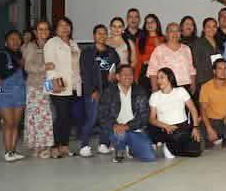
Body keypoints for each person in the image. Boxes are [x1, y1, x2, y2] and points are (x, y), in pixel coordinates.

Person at [98, 64, 155, 163]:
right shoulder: (109, 91)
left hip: (134, 129)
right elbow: (103, 114)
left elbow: (144, 116)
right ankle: (119, 149)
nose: (128, 76)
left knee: (149, 157)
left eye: (131, 74)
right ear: (118, 77)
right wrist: (114, 125)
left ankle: (131, 147)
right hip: (117, 129)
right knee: (121, 135)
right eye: (125, 74)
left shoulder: (140, 91)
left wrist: (127, 126)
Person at [78, 24, 120, 157]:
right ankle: (84, 145)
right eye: (99, 33)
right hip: (94, 91)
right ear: (94, 36)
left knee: (107, 119)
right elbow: (84, 74)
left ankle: (104, 144)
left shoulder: (112, 52)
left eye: (104, 33)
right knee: (92, 118)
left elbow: (117, 69)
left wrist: (115, 76)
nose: (102, 36)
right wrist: (92, 91)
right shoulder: (87, 53)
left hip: (109, 91)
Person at [45, 17, 83, 159]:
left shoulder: (73, 43)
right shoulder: (52, 43)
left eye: (67, 25)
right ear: (56, 28)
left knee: (67, 118)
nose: (65, 28)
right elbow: (49, 65)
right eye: (61, 25)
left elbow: (76, 65)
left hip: (72, 85)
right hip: (57, 86)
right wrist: (55, 82)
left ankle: (64, 146)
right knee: (60, 117)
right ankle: (54, 147)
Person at [148, 67, 202, 158]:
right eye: (158, 78)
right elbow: (152, 119)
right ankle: (168, 146)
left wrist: (195, 127)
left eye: (162, 77)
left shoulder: (181, 91)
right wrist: (166, 126)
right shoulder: (155, 96)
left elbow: (193, 109)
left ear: (170, 78)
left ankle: (173, 148)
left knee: (196, 151)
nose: (159, 80)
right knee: (175, 139)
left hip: (182, 126)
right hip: (166, 128)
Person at [0, 30, 26, 162]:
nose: (15, 41)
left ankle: (13, 151)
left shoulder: (20, 55)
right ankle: (7, 152)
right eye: (12, 39)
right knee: (9, 123)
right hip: (4, 93)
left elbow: (24, 74)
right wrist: (17, 66)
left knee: (16, 124)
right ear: (6, 42)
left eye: (18, 39)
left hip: (19, 93)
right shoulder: (0, 54)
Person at [22, 20, 54, 159]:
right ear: (35, 32)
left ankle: (44, 145)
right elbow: (27, 67)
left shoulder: (50, 45)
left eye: (46, 29)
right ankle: (37, 146)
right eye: (40, 29)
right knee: (35, 116)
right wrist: (43, 68)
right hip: (34, 85)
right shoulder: (30, 46)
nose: (43, 32)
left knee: (47, 115)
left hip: (48, 84)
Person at [199, 59, 226, 148]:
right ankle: (214, 136)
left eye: (225, 68)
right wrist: (209, 129)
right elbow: (202, 110)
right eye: (220, 69)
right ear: (214, 71)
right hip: (211, 121)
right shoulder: (206, 86)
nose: (223, 71)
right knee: (203, 136)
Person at [147, 22, 196, 95]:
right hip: (165, 87)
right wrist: (154, 88)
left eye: (177, 31)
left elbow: (191, 69)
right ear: (166, 34)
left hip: (184, 87)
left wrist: (193, 85)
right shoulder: (159, 49)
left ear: (180, 34)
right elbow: (152, 71)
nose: (174, 33)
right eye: (171, 31)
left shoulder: (186, 48)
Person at [135, 14, 164, 91]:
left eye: (152, 22)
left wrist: (159, 45)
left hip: (159, 72)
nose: (149, 24)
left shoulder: (163, 39)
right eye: (147, 22)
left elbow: (165, 59)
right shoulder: (140, 39)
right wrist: (136, 76)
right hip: (143, 71)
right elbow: (138, 59)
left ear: (157, 24)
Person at [190, 18, 220, 91]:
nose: (211, 29)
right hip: (204, 81)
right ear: (203, 29)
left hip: (217, 79)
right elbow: (196, 63)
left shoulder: (218, 42)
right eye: (208, 26)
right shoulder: (198, 42)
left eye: (214, 26)